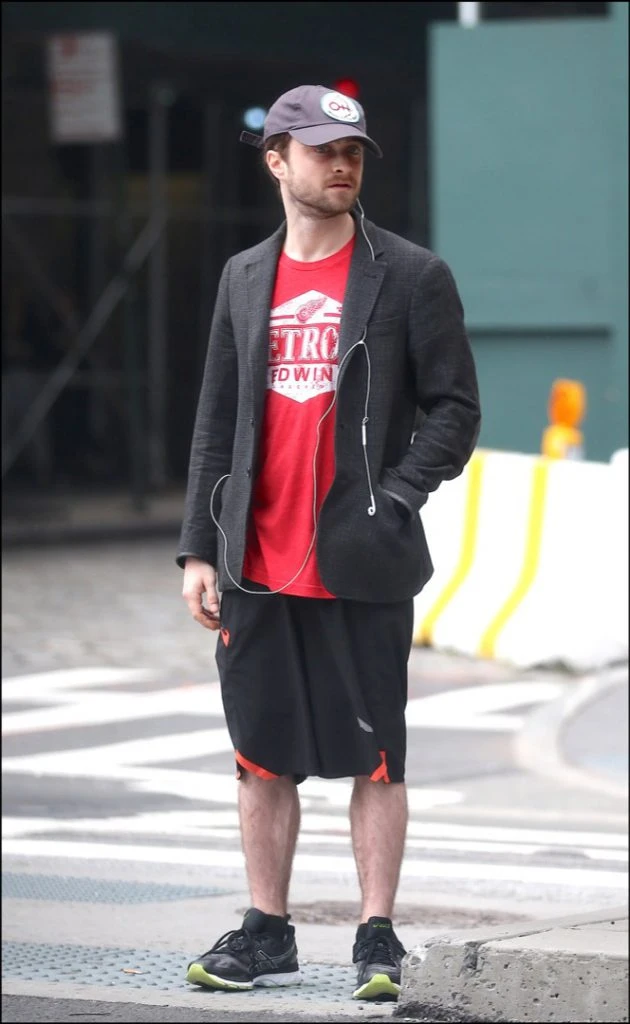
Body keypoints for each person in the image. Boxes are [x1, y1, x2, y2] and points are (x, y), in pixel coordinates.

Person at [177, 84, 481, 1002]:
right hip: (256, 561)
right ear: (277, 160)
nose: (342, 165)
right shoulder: (242, 276)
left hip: (363, 559)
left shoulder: (412, 275)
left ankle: (375, 935)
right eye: (321, 151)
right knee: (260, 758)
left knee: (377, 759)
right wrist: (200, 548)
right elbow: (216, 421)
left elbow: (455, 411)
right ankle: (266, 931)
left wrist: (394, 499)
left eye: (351, 152)